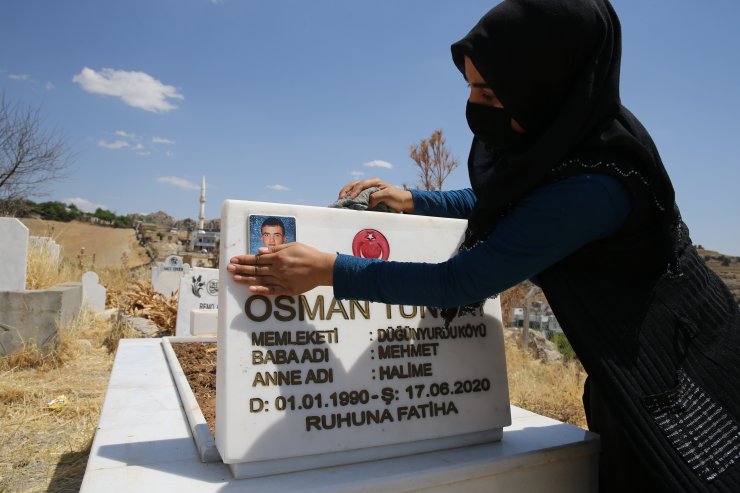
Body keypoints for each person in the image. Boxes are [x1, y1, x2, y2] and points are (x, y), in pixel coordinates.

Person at [227, 1, 740, 490]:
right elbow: (510, 195)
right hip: (630, 358)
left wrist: (331, 270)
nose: (474, 106)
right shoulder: (572, 129)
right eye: (470, 86)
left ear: (547, 85)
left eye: (492, 94)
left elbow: (465, 281)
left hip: (677, 367)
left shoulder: (596, 185)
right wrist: (415, 200)